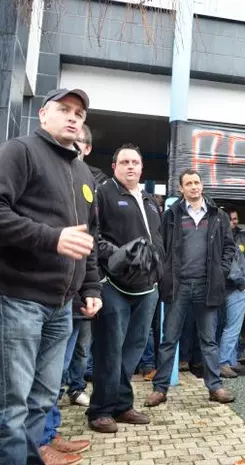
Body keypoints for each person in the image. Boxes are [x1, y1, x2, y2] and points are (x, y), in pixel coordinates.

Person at [0, 87, 102, 465]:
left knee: (42, 399)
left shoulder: (82, 172)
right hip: (20, 301)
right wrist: (51, 238)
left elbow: (87, 238)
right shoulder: (20, 151)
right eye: (64, 109)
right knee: (12, 405)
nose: (74, 117)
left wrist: (90, 286)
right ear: (43, 115)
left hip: (62, 309)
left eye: (79, 112)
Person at [88, 143, 164, 433]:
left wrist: (159, 267)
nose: (130, 166)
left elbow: (157, 239)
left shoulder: (149, 201)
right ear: (114, 167)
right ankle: (100, 411)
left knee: (132, 350)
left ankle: (122, 405)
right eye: (125, 162)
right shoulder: (104, 194)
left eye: (135, 162)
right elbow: (93, 236)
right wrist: (119, 254)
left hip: (147, 288)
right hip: (114, 285)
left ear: (142, 168)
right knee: (109, 349)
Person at [145, 169, 236, 407]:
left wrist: (221, 271)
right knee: (169, 339)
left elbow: (229, 247)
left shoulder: (218, 216)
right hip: (179, 286)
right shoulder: (172, 215)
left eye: (197, 182)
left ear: (202, 185)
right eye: (189, 184)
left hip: (207, 286)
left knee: (208, 341)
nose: (194, 187)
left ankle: (215, 387)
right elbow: (161, 247)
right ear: (181, 189)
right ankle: (160, 388)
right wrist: (163, 275)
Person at [217, 209, 245, 378]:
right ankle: (223, 362)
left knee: (229, 327)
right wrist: (243, 285)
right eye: (229, 220)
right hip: (235, 289)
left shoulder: (217, 238)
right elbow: (232, 269)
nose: (233, 223)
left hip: (228, 289)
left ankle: (231, 361)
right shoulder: (226, 240)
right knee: (232, 329)